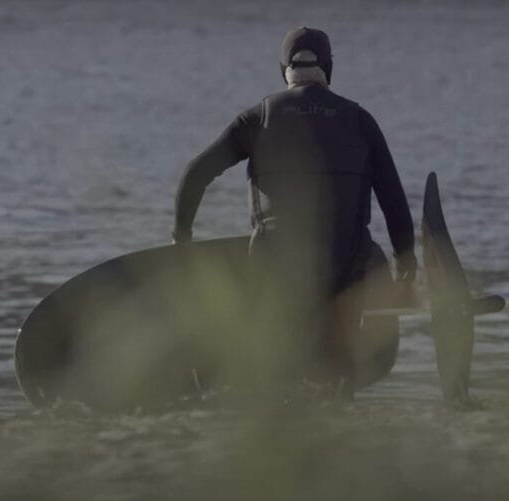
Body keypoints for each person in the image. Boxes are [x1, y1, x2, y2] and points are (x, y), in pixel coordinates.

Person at [172, 27, 417, 396]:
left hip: (274, 270)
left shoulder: (258, 119)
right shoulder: (360, 120)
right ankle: (339, 388)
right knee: (339, 374)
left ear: (282, 68)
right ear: (329, 67)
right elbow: (394, 201)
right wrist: (406, 270)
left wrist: (183, 238)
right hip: (346, 272)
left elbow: (195, 175)